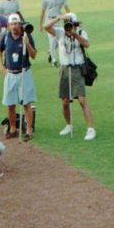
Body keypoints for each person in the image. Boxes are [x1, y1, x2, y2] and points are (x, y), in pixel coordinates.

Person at [44, 12, 96, 141]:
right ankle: (68, 125)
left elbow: (87, 44)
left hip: (77, 68)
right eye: (66, 24)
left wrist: (75, 34)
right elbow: (46, 27)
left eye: (70, 24)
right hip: (64, 68)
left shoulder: (81, 32)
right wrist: (58, 18)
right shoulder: (60, 32)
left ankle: (91, 128)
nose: (68, 27)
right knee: (65, 101)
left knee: (82, 100)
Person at [0, 13, 37, 141]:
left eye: (16, 24)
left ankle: (29, 130)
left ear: (20, 24)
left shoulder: (26, 35)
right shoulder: (6, 36)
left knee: (26, 103)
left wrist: (28, 44)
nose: (14, 26)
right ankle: (13, 128)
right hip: (10, 73)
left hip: (23, 72)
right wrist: (2, 67)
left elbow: (34, 55)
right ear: (8, 25)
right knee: (10, 103)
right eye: (12, 24)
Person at [39, 0, 70, 67]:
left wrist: (70, 17)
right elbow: (42, 11)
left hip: (58, 19)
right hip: (49, 20)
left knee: (59, 40)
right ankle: (54, 60)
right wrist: (41, 24)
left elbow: (66, 7)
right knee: (52, 40)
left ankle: (50, 52)